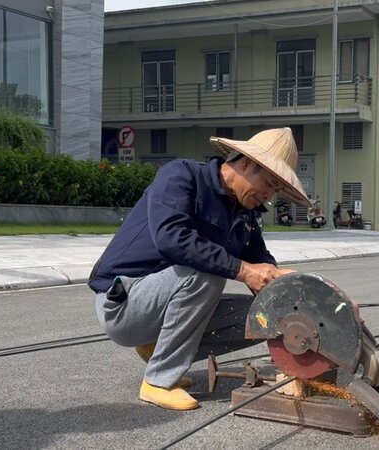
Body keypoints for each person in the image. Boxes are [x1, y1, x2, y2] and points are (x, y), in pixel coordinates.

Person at [88, 128, 311, 411]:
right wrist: (243, 270)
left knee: (264, 315)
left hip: (161, 305)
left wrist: (291, 292)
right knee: (207, 272)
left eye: (275, 191)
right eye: (268, 184)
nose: (268, 196)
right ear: (245, 163)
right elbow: (171, 238)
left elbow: (261, 262)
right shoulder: (182, 176)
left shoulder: (245, 213)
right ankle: (158, 381)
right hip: (124, 303)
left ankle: (157, 350)